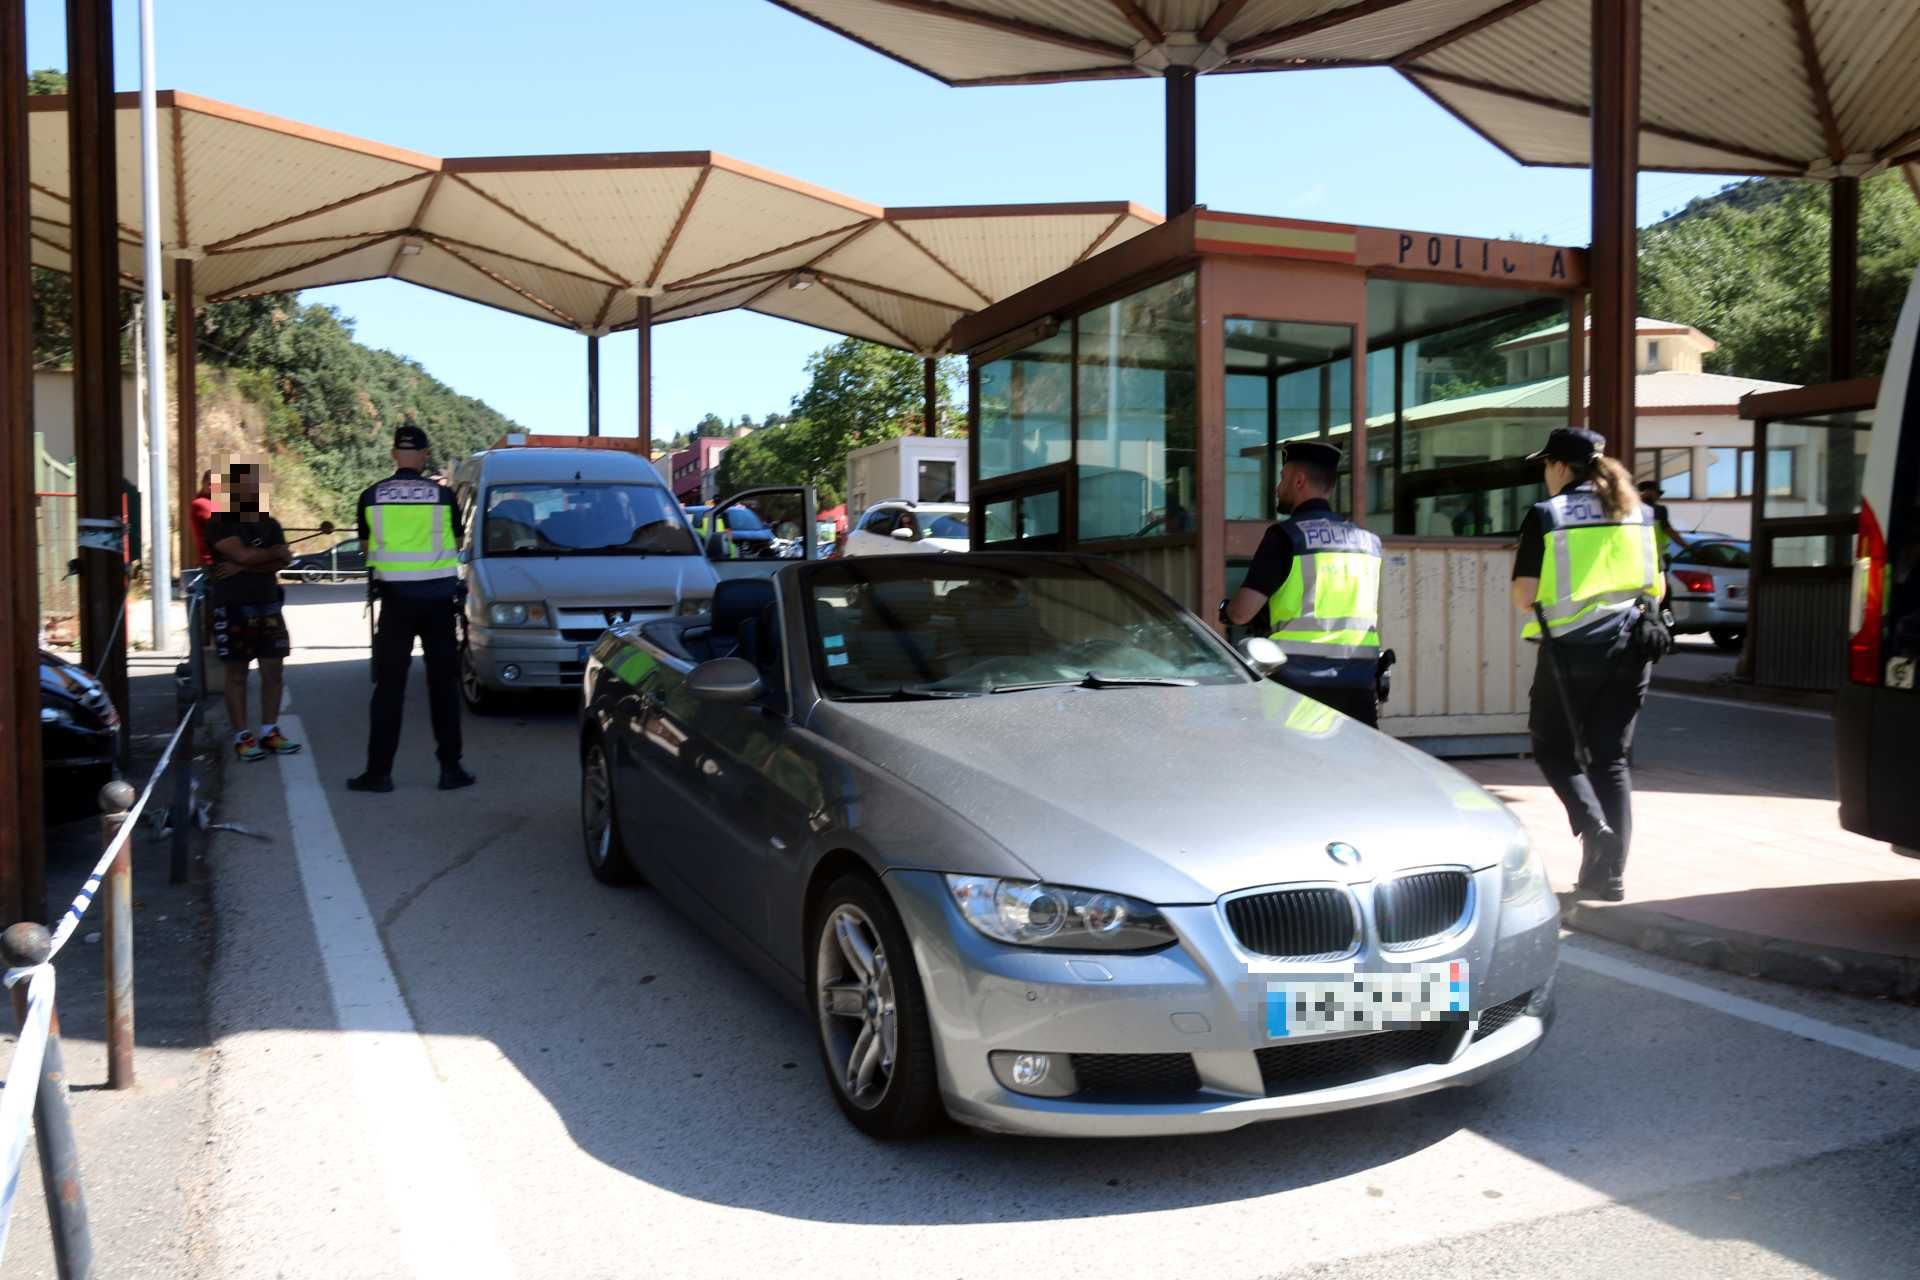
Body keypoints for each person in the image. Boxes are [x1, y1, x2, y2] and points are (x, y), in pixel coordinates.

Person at [1512, 428, 1665, 902]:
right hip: (1632, 650)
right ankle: (1610, 876)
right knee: (1611, 760)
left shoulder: (1547, 515)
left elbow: (1524, 596)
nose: (1544, 473)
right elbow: (1656, 587)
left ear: (1561, 467)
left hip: (1571, 654)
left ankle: (1592, 824)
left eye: (1545, 464)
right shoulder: (1640, 512)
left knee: (1551, 746)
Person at [1222, 440, 1383, 726]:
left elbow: (1241, 613)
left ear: (1299, 480)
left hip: (1296, 689)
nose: (1277, 487)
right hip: (1359, 685)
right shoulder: (1368, 543)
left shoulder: (1286, 537)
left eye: (1282, 478)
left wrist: (1227, 609)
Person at [348, 425, 473, 794]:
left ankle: (378, 773)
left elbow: (367, 550)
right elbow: (456, 539)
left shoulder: (370, 496)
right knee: (443, 688)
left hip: (395, 603)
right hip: (437, 602)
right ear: (422, 456)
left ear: (393, 454)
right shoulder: (444, 496)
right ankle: (451, 769)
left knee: (388, 688)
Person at [204, 460, 299, 762]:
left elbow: (280, 562)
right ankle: (242, 737)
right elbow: (255, 553)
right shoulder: (220, 523)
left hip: (268, 603)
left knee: (274, 669)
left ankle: (270, 731)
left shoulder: (270, 524)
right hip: (232, 606)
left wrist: (244, 565)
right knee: (237, 673)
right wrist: (264, 557)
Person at [1637, 480, 1691, 564]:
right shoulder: (1659, 510)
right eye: (1657, 493)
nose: (1658, 497)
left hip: (1639, 557)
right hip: (1658, 557)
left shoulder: (1631, 510)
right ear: (1647, 492)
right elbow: (1669, 531)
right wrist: (1688, 548)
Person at [189, 470, 216, 567]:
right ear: (203, 483)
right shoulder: (200, 503)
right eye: (209, 484)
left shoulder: (214, 501)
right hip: (211, 561)